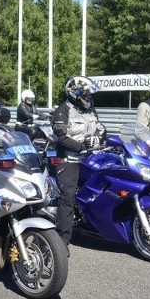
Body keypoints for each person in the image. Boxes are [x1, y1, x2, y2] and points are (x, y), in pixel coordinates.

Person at [51, 76, 106, 255]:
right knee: (68, 195)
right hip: (68, 160)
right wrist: (83, 146)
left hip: (91, 158)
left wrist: (98, 137)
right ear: (76, 94)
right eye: (87, 95)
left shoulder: (90, 110)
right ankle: (62, 239)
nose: (90, 98)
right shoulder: (62, 111)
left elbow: (101, 128)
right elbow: (62, 137)